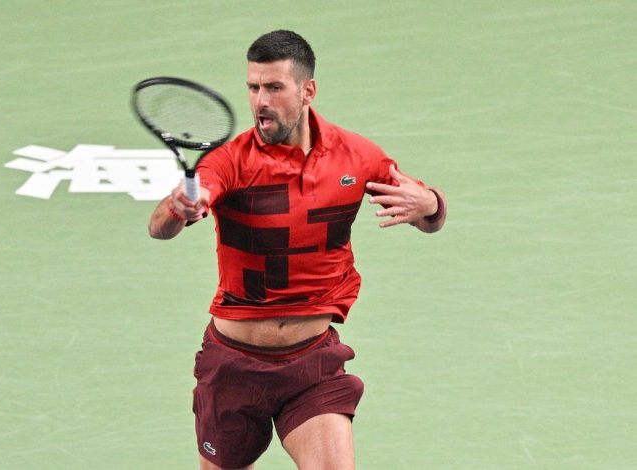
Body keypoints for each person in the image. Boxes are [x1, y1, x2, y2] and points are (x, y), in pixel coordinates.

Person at [148, 30, 446, 470]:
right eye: (253, 87)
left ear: (308, 91)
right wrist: (178, 207)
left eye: (274, 87)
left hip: (312, 365)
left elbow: (423, 210)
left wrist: (431, 203)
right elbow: (161, 227)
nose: (260, 101)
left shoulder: (356, 155)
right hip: (233, 366)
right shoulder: (228, 161)